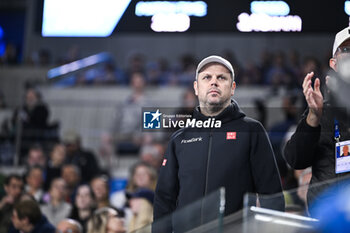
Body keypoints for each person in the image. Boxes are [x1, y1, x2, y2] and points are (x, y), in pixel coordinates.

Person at [153, 55, 284, 230]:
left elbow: (271, 195)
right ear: (196, 87)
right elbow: (164, 200)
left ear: (232, 88)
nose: (214, 82)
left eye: (221, 77)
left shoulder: (251, 131)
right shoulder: (180, 138)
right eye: (207, 77)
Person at [283, 26, 350, 211]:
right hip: (327, 218)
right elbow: (296, 159)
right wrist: (314, 116)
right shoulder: (322, 112)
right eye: (346, 50)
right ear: (334, 63)